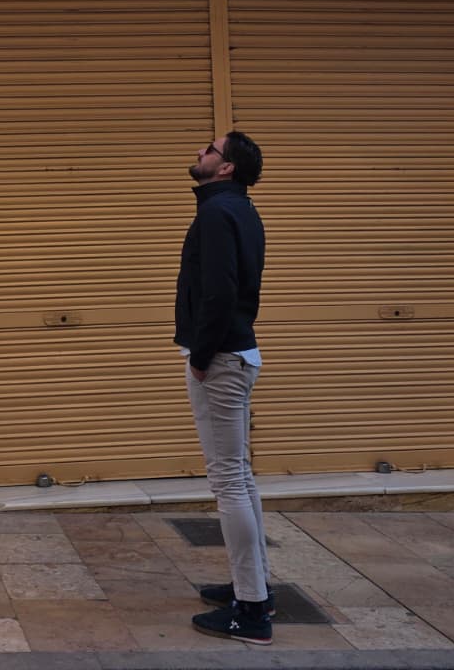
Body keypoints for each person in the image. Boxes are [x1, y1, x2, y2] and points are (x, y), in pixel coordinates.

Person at [175, 131, 273, 645]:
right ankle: (252, 585)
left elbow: (220, 291)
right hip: (237, 352)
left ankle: (251, 610)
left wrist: (199, 355)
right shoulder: (241, 210)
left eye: (209, 149)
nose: (199, 152)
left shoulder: (216, 214)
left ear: (226, 167)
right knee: (241, 475)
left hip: (221, 358)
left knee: (229, 482)